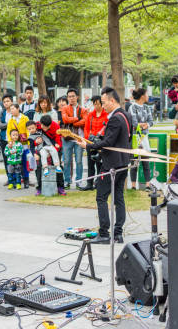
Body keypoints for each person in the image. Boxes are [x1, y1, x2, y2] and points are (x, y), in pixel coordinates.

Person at [76, 87, 132, 244]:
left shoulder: (115, 118)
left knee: (101, 196)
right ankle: (118, 233)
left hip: (112, 164)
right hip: (123, 162)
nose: (102, 105)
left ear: (112, 100)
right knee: (118, 197)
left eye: (104, 102)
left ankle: (104, 233)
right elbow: (125, 138)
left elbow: (108, 142)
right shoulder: (126, 115)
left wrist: (87, 146)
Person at [61, 88, 88, 189]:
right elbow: (65, 119)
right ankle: (67, 181)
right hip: (67, 137)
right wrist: (77, 119)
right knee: (67, 160)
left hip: (79, 138)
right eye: (69, 97)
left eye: (73, 96)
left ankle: (79, 181)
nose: (71, 98)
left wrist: (72, 122)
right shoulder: (65, 108)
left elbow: (85, 121)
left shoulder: (83, 109)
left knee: (79, 160)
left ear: (77, 97)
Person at [34, 115, 66, 196]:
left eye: (46, 127)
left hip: (54, 148)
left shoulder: (56, 126)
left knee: (57, 166)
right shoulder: (36, 125)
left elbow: (58, 142)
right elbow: (31, 139)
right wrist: (36, 143)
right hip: (41, 148)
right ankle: (39, 188)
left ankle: (60, 187)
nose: (44, 129)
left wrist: (53, 151)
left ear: (50, 124)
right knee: (39, 167)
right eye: (43, 127)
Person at [129, 88, 154, 188]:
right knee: (134, 161)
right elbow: (133, 123)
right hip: (135, 137)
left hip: (144, 137)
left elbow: (151, 121)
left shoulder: (147, 108)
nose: (148, 96)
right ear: (142, 96)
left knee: (145, 161)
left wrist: (145, 125)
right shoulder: (132, 107)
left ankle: (147, 184)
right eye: (147, 94)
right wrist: (143, 125)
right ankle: (134, 185)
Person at [83, 96, 108, 191]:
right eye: (94, 104)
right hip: (90, 142)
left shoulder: (106, 115)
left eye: (98, 103)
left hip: (101, 142)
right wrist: (87, 139)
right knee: (90, 163)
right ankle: (89, 183)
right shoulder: (90, 115)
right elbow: (86, 128)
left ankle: (99, 183)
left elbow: (107, 128)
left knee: (99, 164)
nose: (96, 106)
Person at [6, 103, 31, 188]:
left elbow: (28, 130)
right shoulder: (11, 120)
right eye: (10, 109)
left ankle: (26, 180)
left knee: (24, 163)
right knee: (14, 162)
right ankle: (14, 181)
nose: (11, 111)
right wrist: (10, 142)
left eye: (13, 109)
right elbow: (8, 132)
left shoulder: (25, 118)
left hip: (23, 144)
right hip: (14, 145)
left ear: (18, 109)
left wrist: (28, 142)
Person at [0, 95, 12, 180]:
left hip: (14, 140)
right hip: (3, 138)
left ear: (11, 102)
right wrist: (8, 124)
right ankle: (9, 178)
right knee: (6, 160)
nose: (6, 103)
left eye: (8, 101)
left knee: (15, 159)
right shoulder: (2, 112)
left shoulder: (15, 111)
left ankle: (17, 178)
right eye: (4, 102)